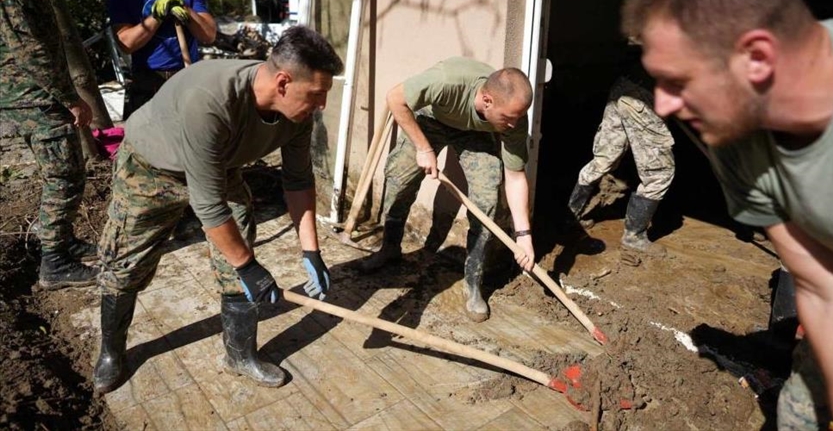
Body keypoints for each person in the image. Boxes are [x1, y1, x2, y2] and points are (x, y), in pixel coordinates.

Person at [621, 0, 833, 429]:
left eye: (678, 80)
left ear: (756, 57)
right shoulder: (734, 140)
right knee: (801, 415)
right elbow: (824, 285)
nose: (662, 104)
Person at [92, 25, 344, 394]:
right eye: (317, 94)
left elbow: (298, 181)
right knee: (125, 263)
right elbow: (207, 205)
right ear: (283, 83)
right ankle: (112, 352)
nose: (321, 105)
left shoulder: (297, 116)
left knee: (236, 264)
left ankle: (239, 356)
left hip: (219, 169)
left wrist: (311, 251)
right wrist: (250, 266)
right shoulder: (209, 98)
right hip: (151, 169)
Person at [361, 57, 536, 323]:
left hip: (475, 133)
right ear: (487, 101)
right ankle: (390, 247)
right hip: (433, 117)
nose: (514, 125)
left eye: (518, 118)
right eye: (509, 119)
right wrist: (423, 148)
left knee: (487, 198)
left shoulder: (513, 118)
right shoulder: (447, 81)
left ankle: (473, 281)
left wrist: (524, 235)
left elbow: (515, 177)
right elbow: (395, 98)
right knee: (399, 177)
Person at [0, 0, 99, 289]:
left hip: (33, 94)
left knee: (60, 173)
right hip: (35, 97)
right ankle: (54, 262)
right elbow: (29, 47)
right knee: (64, 176)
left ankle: (63, 241)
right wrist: (70, 98)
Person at [568, 47, 675, 253]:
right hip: (642, 98)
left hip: (624, 86)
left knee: (604, 159)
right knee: (659, 173)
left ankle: (571, 215)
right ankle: (634, 236)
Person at [108, 0, 216, 120]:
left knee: (188, 139)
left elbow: (209, 35)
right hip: (147, 80)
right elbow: (126, 44)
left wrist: (185, 9)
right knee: (149, 142)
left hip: (186, 77)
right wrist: (156, 16)